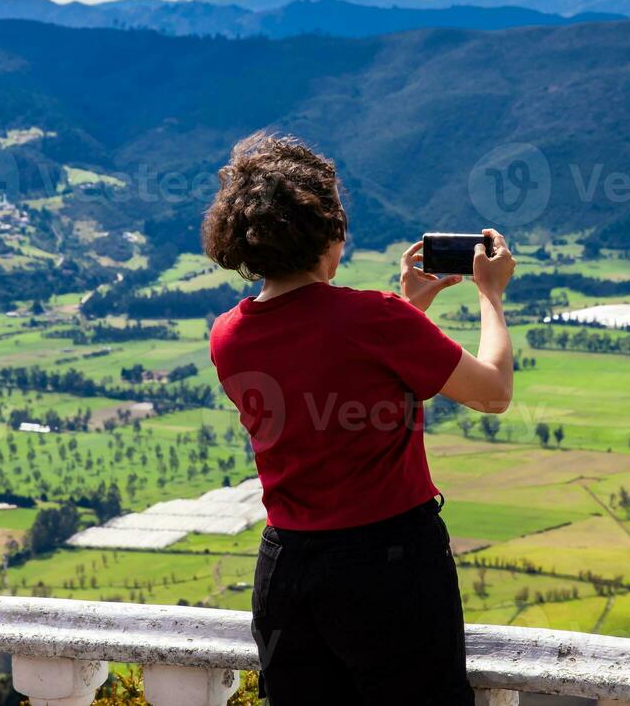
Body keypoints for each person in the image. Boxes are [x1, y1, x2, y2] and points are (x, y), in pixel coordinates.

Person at [202, 133, 516, 706]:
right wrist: (490, 296)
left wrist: (409, 311)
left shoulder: (228, 335)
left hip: (285, 572)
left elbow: (319, 381)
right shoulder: (375, 319)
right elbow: (493, 393)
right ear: (330, 234)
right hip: (388, 568)